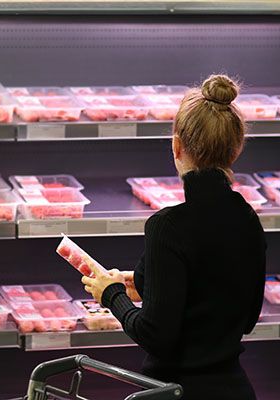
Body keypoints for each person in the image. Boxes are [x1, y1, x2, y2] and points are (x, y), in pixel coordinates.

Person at [81, 74, 266, 400]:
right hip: (236, 391)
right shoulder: (249, 221)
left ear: (176, 146)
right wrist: (146, 283)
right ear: (236, 149)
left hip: (175, 392)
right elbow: (245, 317)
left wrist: (112, 296)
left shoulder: (167, 227)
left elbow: (155, 335)